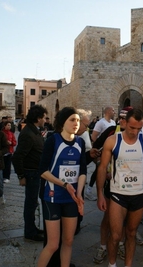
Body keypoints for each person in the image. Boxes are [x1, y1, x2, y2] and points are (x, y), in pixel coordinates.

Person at [97, 108, 143, 267]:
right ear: (124, 123)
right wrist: (100, 194)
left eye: (139, 128)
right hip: (118, 194)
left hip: (139, 194)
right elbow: (103, 167)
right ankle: (112, 264)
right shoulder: (113, 140)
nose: (135, 131)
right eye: (132, 127)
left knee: (131, 233)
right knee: (116, 235)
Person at [37, 107, 87, 267]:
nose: (76, 123)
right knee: (53, 244)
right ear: (63, 122)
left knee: (69, 240)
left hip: (71, 199)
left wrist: (78, 193)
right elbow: (43, 171)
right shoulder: (53, 140)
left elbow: (82, 172)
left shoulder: (80, 142)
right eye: (72, 120)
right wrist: (64, 185)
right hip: (52, 197)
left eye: (78, 120)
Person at [12, 104, 48, 241]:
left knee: (33, 203)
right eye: (44, 118)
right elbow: (18, 156)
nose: (45, 120)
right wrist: (21, 176)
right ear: (38, 118)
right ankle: (30, 232)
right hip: (31, 173)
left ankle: (32, 228)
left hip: (36, 172)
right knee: (31, 203)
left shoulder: (34, 131)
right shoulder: (28, 134)